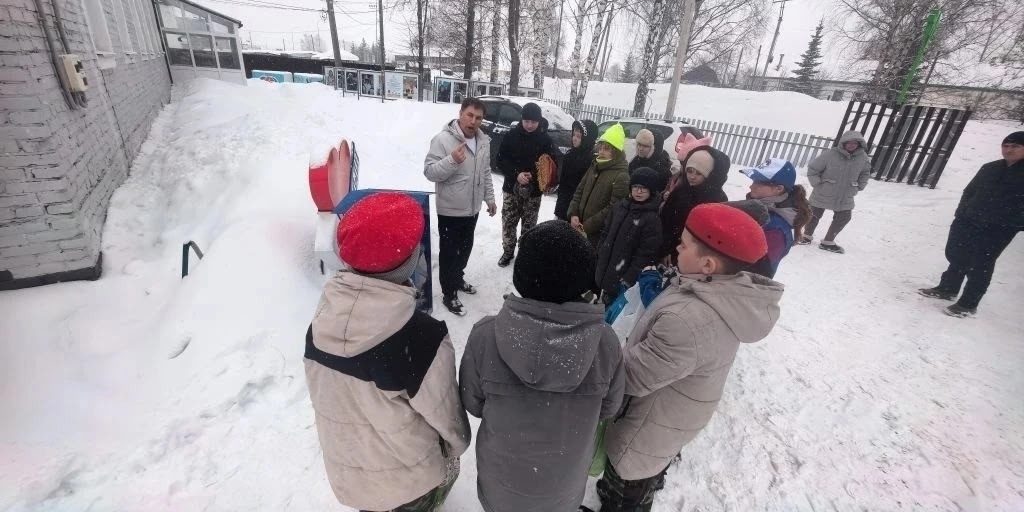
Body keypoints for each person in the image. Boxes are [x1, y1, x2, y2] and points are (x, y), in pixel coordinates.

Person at [598, 203, 784, 512]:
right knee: (642, 475)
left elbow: (631, 376)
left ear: (708, 264)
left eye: (684, 245)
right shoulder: (716, 291)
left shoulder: (688, 320)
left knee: (627, 487)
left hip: (645, 428)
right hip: (670, 416)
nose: (677, 248)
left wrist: (595, 355)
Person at [304, 192, 472, 512]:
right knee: (447, 469)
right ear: (409, 261)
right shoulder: (422, 338)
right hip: (408, 486)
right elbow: (449, 423)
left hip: (350, 479)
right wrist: (456, 449)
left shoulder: (320, 323)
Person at [459, 220, 625, 512]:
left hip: (502, 484)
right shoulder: (605, 344)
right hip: (563, 487)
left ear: (521, 276)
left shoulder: (486, 336)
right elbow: (609, 408)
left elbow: (472, 403)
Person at [919, 132, 1024, 317]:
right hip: (968, 220)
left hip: (999, 228)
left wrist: (1011, 222)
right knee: (957, 254)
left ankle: (968, 304)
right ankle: (948, 288)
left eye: (1015, 146)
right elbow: (969, 191)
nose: (1008, 150)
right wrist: (961, 213)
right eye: (1005, 146)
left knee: (981, 263)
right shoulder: (990, 168)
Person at [424, 97, 498, 316]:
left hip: (472, 209)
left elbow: (485, 172)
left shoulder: (483, 141)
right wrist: (452, 160)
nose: (473, 121)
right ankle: (449, 293)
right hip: (450, 210)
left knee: (465, 250)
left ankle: (457, 279)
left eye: (478, 118)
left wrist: (490, 198)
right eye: (470, 115)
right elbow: (429, 172)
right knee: (449, 254)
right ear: (460, 114)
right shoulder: (442, 140)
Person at [495, 102, 561, 267]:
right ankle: (508, 251)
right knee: (509, 223)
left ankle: (524, 254)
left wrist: (535, 174)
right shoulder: (511, 136)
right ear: (521, 119)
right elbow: (500, 160)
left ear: (539, 121)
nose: (530, 125)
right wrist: (516, 174)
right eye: (526, 121)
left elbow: (552, 164)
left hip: (534, 192)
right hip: (511, 189)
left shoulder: (545, 140)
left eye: (533, 121)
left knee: (529, 226)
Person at [595, 167, 664, 304]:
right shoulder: (619, 207)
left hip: (623, 280)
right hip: (606, 270)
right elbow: (606, 232)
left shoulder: (651, 219)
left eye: (644, 188)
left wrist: (628, 278)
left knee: (612, 309)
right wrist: (600, 252)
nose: (639, 191)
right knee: (602, 303)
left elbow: (646, 254)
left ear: (651, 190)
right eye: (636, 186)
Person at [799, 130, 872, 254]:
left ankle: (828, 242)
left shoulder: (863, 158)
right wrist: (816, 183)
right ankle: (806, 236)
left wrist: (860, 185)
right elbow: (813, 169)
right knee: (813, 214)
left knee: (844, 216)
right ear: (843, 143)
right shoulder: (830, 154)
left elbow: (865, 173)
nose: (852, 145)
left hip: (846, 194)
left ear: (859, 144)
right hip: (824, 191)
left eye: (855, 143)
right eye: (849, 143)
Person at [740, 158, 813, 278]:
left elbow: (756, 272)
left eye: (759, 183)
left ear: (779, 188)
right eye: (753, 181)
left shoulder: (775, 229)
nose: (751, 186)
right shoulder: (756, 207)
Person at [658, 145, 730, 263]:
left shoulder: (717, 199)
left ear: (709, 175)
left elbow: (711, 236)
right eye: (689, 171)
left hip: (695, 257)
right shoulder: (680, 191)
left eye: (698, 173)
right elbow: (665, 222)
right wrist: (665, 250)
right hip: (669, 249)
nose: (692, 176)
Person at [568, 123, 630, 248]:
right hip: (578, 226)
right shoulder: (594, 165)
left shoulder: (621, 175)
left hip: (596, 235)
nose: (601, 152)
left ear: (616, 152)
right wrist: (573, 213)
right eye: (600, 148)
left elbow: (613, 209)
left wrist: (587, 226)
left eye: (607, 149)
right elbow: (579, 191)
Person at [555, 119, 599, 221]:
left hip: (578, 213)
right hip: (563, 207)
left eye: (579, 137)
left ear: (587, 139)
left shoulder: (592, 160)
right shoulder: (569, 155)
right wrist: (559, 210)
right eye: (574, 135)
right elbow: (563, 186)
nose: (574, 139)